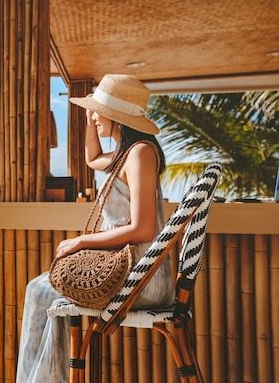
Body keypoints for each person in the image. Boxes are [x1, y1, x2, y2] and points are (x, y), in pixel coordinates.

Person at [16, 74, 175, 383]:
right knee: (44, 291)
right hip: (130, 270)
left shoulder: (140, 153)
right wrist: (91, 117)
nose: (93, 116)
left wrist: (82, 241)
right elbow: (91, 158)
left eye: (98, 111)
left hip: (143, 278)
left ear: (116, 116)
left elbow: (142, 229)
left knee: (40, 291)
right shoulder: (125, 154)